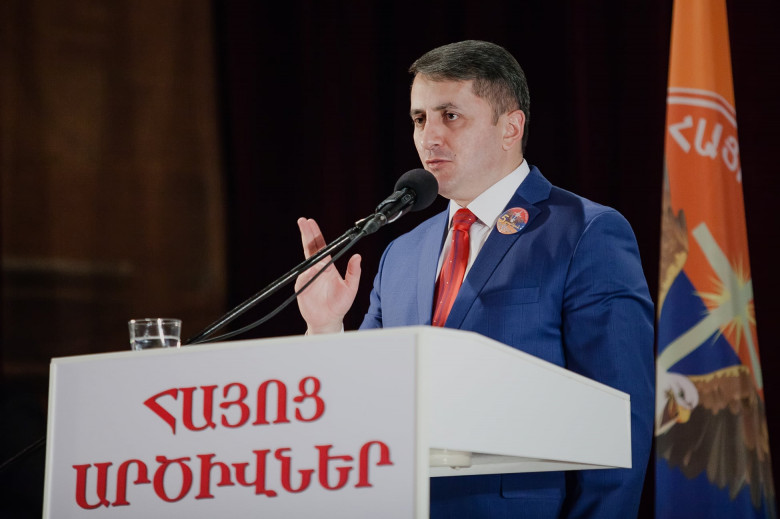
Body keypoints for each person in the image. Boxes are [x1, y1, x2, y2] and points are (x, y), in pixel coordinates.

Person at [295, 40, 654, 519]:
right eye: (419, 119)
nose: (429, 137)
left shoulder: (585, 232)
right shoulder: (402, 254)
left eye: (450, 115)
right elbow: (363, 405)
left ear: (510, 127)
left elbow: (620, 417)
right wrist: (325, 329)